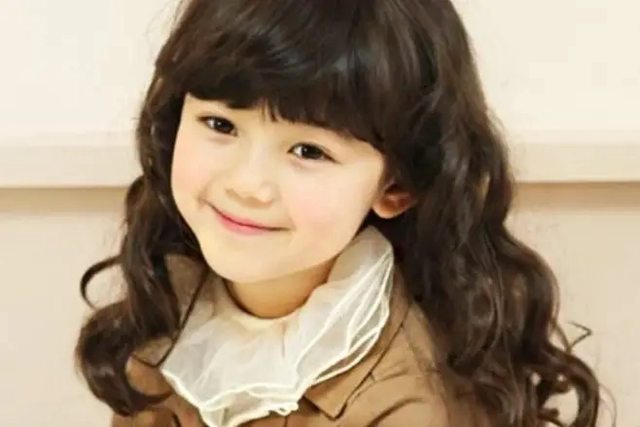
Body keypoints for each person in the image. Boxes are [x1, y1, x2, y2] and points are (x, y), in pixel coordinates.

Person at [74, 0, 603, 426]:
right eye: (220, 125)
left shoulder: (407, 397)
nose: (247, 184)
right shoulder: (171, 303)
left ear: (398, 185)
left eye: (308, 151)